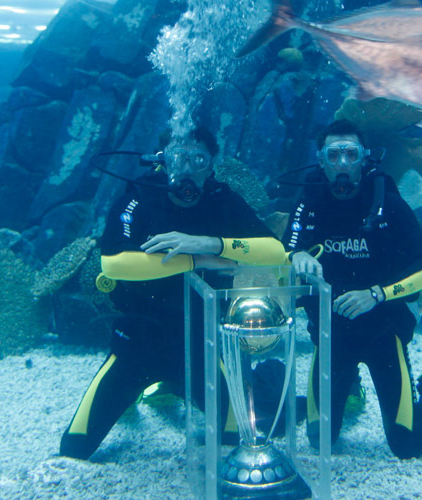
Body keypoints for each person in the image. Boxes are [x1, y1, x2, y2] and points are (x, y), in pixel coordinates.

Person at [283, 119, 422, 459]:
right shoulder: (310, 200)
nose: (342, 163)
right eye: (333, 155)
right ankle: (350, 385)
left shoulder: (387, 202)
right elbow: (286, 247)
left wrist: (376, 295)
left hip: (383, 332)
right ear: (321, 160)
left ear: (364, 157)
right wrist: (297, 254)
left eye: (351, 154)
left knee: (407, 446)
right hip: (332, 334)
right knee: (320, 442)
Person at [60, 126, 287, 460]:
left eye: (198, 160)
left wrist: (211, 243)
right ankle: (149, 390)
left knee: (238, 439)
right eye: (178, 158)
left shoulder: (221, 199)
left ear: (212, 164)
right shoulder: (140, 196)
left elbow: (275, 252)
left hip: (202, 346)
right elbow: (114, 264)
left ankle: (178, 387)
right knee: (74, 448)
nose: (188, 170)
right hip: (136, 343)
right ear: (161, 161)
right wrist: (196, 260)